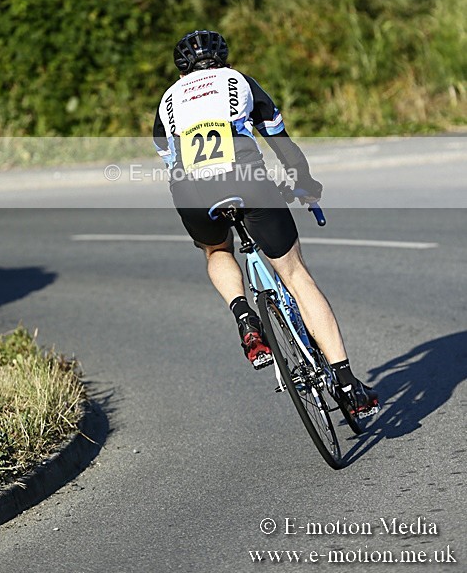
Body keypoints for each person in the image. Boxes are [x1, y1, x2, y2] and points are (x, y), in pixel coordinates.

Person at [153, 30, 379, 416]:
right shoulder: (238, 81)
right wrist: (304, 183)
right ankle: (347, 386)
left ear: (181, 72)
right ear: (223, 61)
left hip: (190, 191)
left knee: (217, 250)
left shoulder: (167, 100)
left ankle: (244, 316)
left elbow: (168, 156)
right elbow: (280, 140)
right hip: (247, 180)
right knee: (295, 275)